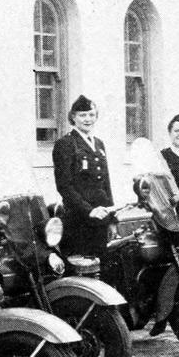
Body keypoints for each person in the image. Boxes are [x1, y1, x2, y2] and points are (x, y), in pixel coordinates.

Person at [53, 95, 114, 257]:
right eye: (82, 115)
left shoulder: (99, 144)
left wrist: (111, 216)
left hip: (101, 217)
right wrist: (89, 211)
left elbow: (105, 183)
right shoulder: (65, 144)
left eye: (91, 115)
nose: (88, 119)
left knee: (103, 264)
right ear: (73, 117)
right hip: (79, 220)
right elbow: (64, 186)